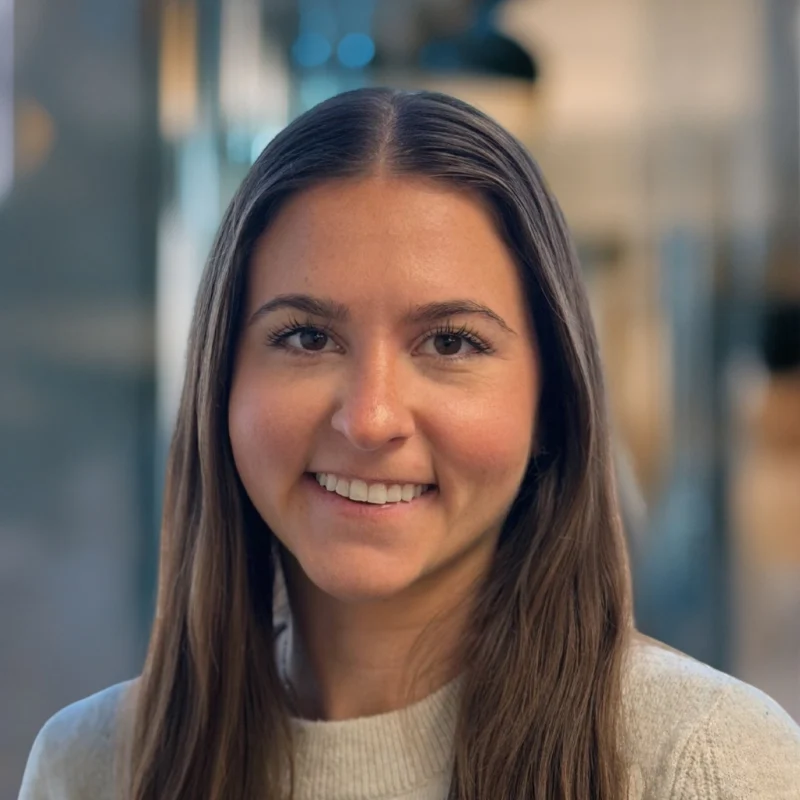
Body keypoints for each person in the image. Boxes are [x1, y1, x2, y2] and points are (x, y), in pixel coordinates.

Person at [17, 88, 800, 800]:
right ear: (222, 382)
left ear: (551, 404)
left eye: (451, 343)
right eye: (306, 336)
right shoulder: (91, 767)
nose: (371, 417)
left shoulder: (706, 761)